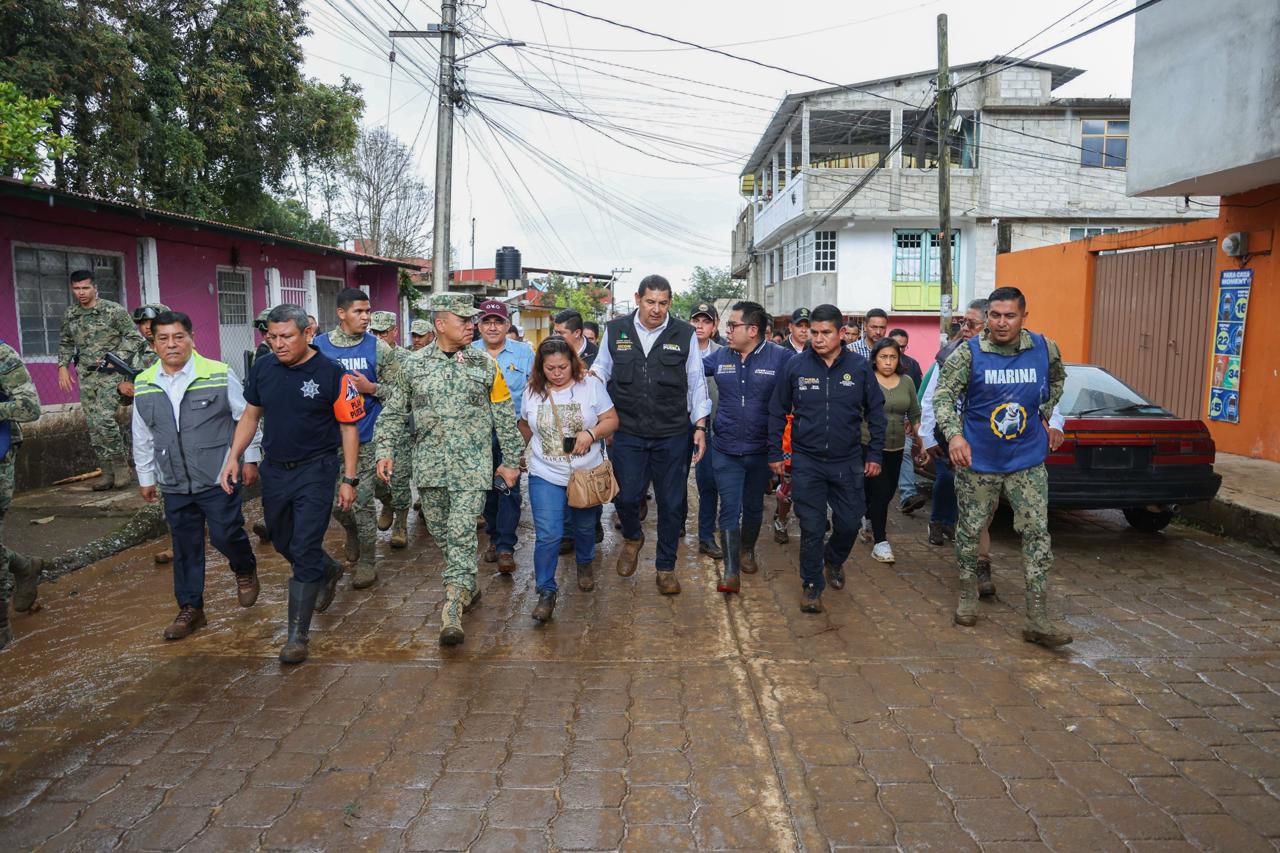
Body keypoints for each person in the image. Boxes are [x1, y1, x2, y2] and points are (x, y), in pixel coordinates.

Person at [376, 293, 522, 645]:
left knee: (460, 533)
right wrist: (384, 450)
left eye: (473, 320)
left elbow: (504, 416)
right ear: (441, 324)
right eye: (463, 321)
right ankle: (467, 586)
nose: (472, 326)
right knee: (444, 534)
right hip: (430, 468)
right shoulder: (411, 366)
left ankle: (452, 608)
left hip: (472, 468)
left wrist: (511, 461)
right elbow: (395, 412)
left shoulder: (485, 365)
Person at [221, 304, 363, 664]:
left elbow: (349, 428)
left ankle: (297, 636)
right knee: (283, 540)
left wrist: (348, 478)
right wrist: (234, 456)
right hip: (276, 470)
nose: (278, 344)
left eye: (286, 336)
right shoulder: (263, 368)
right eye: (272, 337)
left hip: (317, 469)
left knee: (303, 544)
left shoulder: (332, 374)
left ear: (307, 334)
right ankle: (327, 568)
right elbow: (251, 414)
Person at [934, 286, 1072, 647]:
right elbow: (944, 396)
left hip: (1027, 460)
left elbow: (1057, 379)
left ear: (1024, 316)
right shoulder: (970, 353)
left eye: (1009, 315)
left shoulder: (1044, 348)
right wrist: (953, 436)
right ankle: (967, 593)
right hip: (978, 460)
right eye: (994, 315)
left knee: (1037, 535)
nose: (1000, 322)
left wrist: (1046, 413)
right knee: (970, 530)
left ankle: (1038, 617)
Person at [132, 311, 261, 640]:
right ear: (154, 343)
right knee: (185, 545)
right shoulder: (145, 382)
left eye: (179, 337)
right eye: (163, 339)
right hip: (173, 480)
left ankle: (244, 567)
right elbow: (143, 434)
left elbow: (245, 416)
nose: (172, 344)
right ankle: (191, 609)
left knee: (224, 534)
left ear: (191, 338)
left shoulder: (218, 373)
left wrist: (250, 458)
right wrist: (146, 476)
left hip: (218, 476)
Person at [591, 275, 711, 595]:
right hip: (627, 430)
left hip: (672, 433)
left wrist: (700, 426)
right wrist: (600, 414)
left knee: (672, 503)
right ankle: (633, 536)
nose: (656, 309)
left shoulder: (683, 333)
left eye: (663, 303)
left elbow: (696, 382)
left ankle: (665, 567)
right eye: (650, 302)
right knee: (626, 496)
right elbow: (601, 371)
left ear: (670, 302)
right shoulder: (616, 331)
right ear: (637, 299)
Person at [769, 304, 884, 614]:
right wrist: (775, 453)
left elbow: (876, 412)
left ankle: (833, 559)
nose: (817, 338)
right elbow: (777, 411)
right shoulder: (796, 366)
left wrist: (874, 453)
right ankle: (810, 585)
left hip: (847, 461)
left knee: (848, 522)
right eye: (813, 333)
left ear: (841, 333)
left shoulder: (859, 368)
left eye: (825, 333)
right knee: (812, 526)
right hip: (808, 461)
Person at [518, 337, 619, 621]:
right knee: (549, 534)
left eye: (563, 366)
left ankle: (585, 563)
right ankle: (546, 591)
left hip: (585, 473)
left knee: (585, 529)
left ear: (572, 364)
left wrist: (590, 434)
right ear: (541, 368)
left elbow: (611, 420)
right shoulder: (532, 391)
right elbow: (524, 422)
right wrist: (531, 448)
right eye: (550, 368)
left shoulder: (591, 387)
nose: (558, 373)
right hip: (545, 473)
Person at [702, 301, 793, 593]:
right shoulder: (719, 357)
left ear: (752, 330)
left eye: (733, 326)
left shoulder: (781, 358)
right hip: (725, 448)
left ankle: (747, 550)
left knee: (753, 506)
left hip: (761, 450)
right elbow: (687, 370)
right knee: (729, 506)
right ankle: (730, 572)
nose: (727, 331)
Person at [314, 288, 398, 591]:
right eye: (358, 312)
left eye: (368, 312)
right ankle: (351, 531)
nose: (365, 318)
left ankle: (367, 561)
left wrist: (372, 388)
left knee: (361, 501)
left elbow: (400, 392)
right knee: (336, 503)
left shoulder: (379, 348)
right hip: (328, 439)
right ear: (341, 313)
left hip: (366, 436)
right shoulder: (318, 347)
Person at [57, 270, 147, 491]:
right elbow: (66, 341)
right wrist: (62, 366)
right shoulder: (71, 314)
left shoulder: (112, 310)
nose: (82, 293)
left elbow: (134, 337)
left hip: (110, 375)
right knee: (93, 423)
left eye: (86, 288)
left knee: (104, 419)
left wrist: (114, 359)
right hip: (86, 375)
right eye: (77, 289)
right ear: (72, 289)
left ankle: (120, 467)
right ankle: (106, 472)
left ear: (95, 288)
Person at [472, 299, 534, 573]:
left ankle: (506, 546)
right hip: (476, 435)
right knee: (487, 490)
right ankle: (495, 537)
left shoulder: (524, 354)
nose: (493, 327)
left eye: (498, 321)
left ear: (508, 325)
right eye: (487, 321)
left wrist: (527, 433)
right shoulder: (467, 353)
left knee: (507, 488)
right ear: (479, 325)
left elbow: (535, 393)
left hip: (512, 432)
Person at [0, 341, 44, 648]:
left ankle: (2, 627)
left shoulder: (2, 355)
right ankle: (24, 566)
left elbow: (30, 408)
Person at [861, 339, 920, 564]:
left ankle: (868, 519)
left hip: (896, 446)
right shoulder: (867, 380)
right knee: (878, 492)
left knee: (886, 493)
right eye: (883, 357)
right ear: (875, 358)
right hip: (868, 444)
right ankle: (881, 541)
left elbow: (914, 413)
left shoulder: (906, 382)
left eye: (893, 357)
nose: (888, 362)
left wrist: (921, 440)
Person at [553, 308, 603, 549]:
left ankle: (592, 523)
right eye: (555, 332)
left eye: (561, 333)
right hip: (560, 428)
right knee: (563, 479)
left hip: (593, 430)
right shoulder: (551, 354)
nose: (556, 337)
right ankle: (567, 533)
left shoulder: (598, 355)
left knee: (591, 479)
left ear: (578, 333)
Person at [369, 310, 412, 548]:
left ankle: (401, 524)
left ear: (394, 331)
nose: (379, 337)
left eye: (383, 332)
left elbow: (403, 396)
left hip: (399, 428)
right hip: (369, 426)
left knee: (401, 477)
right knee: (373, 479)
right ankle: (387, 502)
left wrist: (373, 388)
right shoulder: (365, 354)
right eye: (374, 332)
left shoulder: (405, 359)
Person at [689, 301, 722, 559]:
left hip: (711, 425)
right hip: (680, 424)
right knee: (675, 480)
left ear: (714, 326)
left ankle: (706, 535)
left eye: (706, 321)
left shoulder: (723, 354)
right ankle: (676, 523)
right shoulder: (678, 352)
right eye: (696, 320)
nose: (700, 325)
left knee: (707, 480)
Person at [885, 328, 926, 515]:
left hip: (901, 424)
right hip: (873, 428)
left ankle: (908, 495)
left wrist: (912, 422)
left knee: (906, 451)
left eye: (903, 347)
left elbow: (915, 399)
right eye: (896, 346)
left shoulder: (912, 367)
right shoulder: (873, 366)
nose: (899, 351)